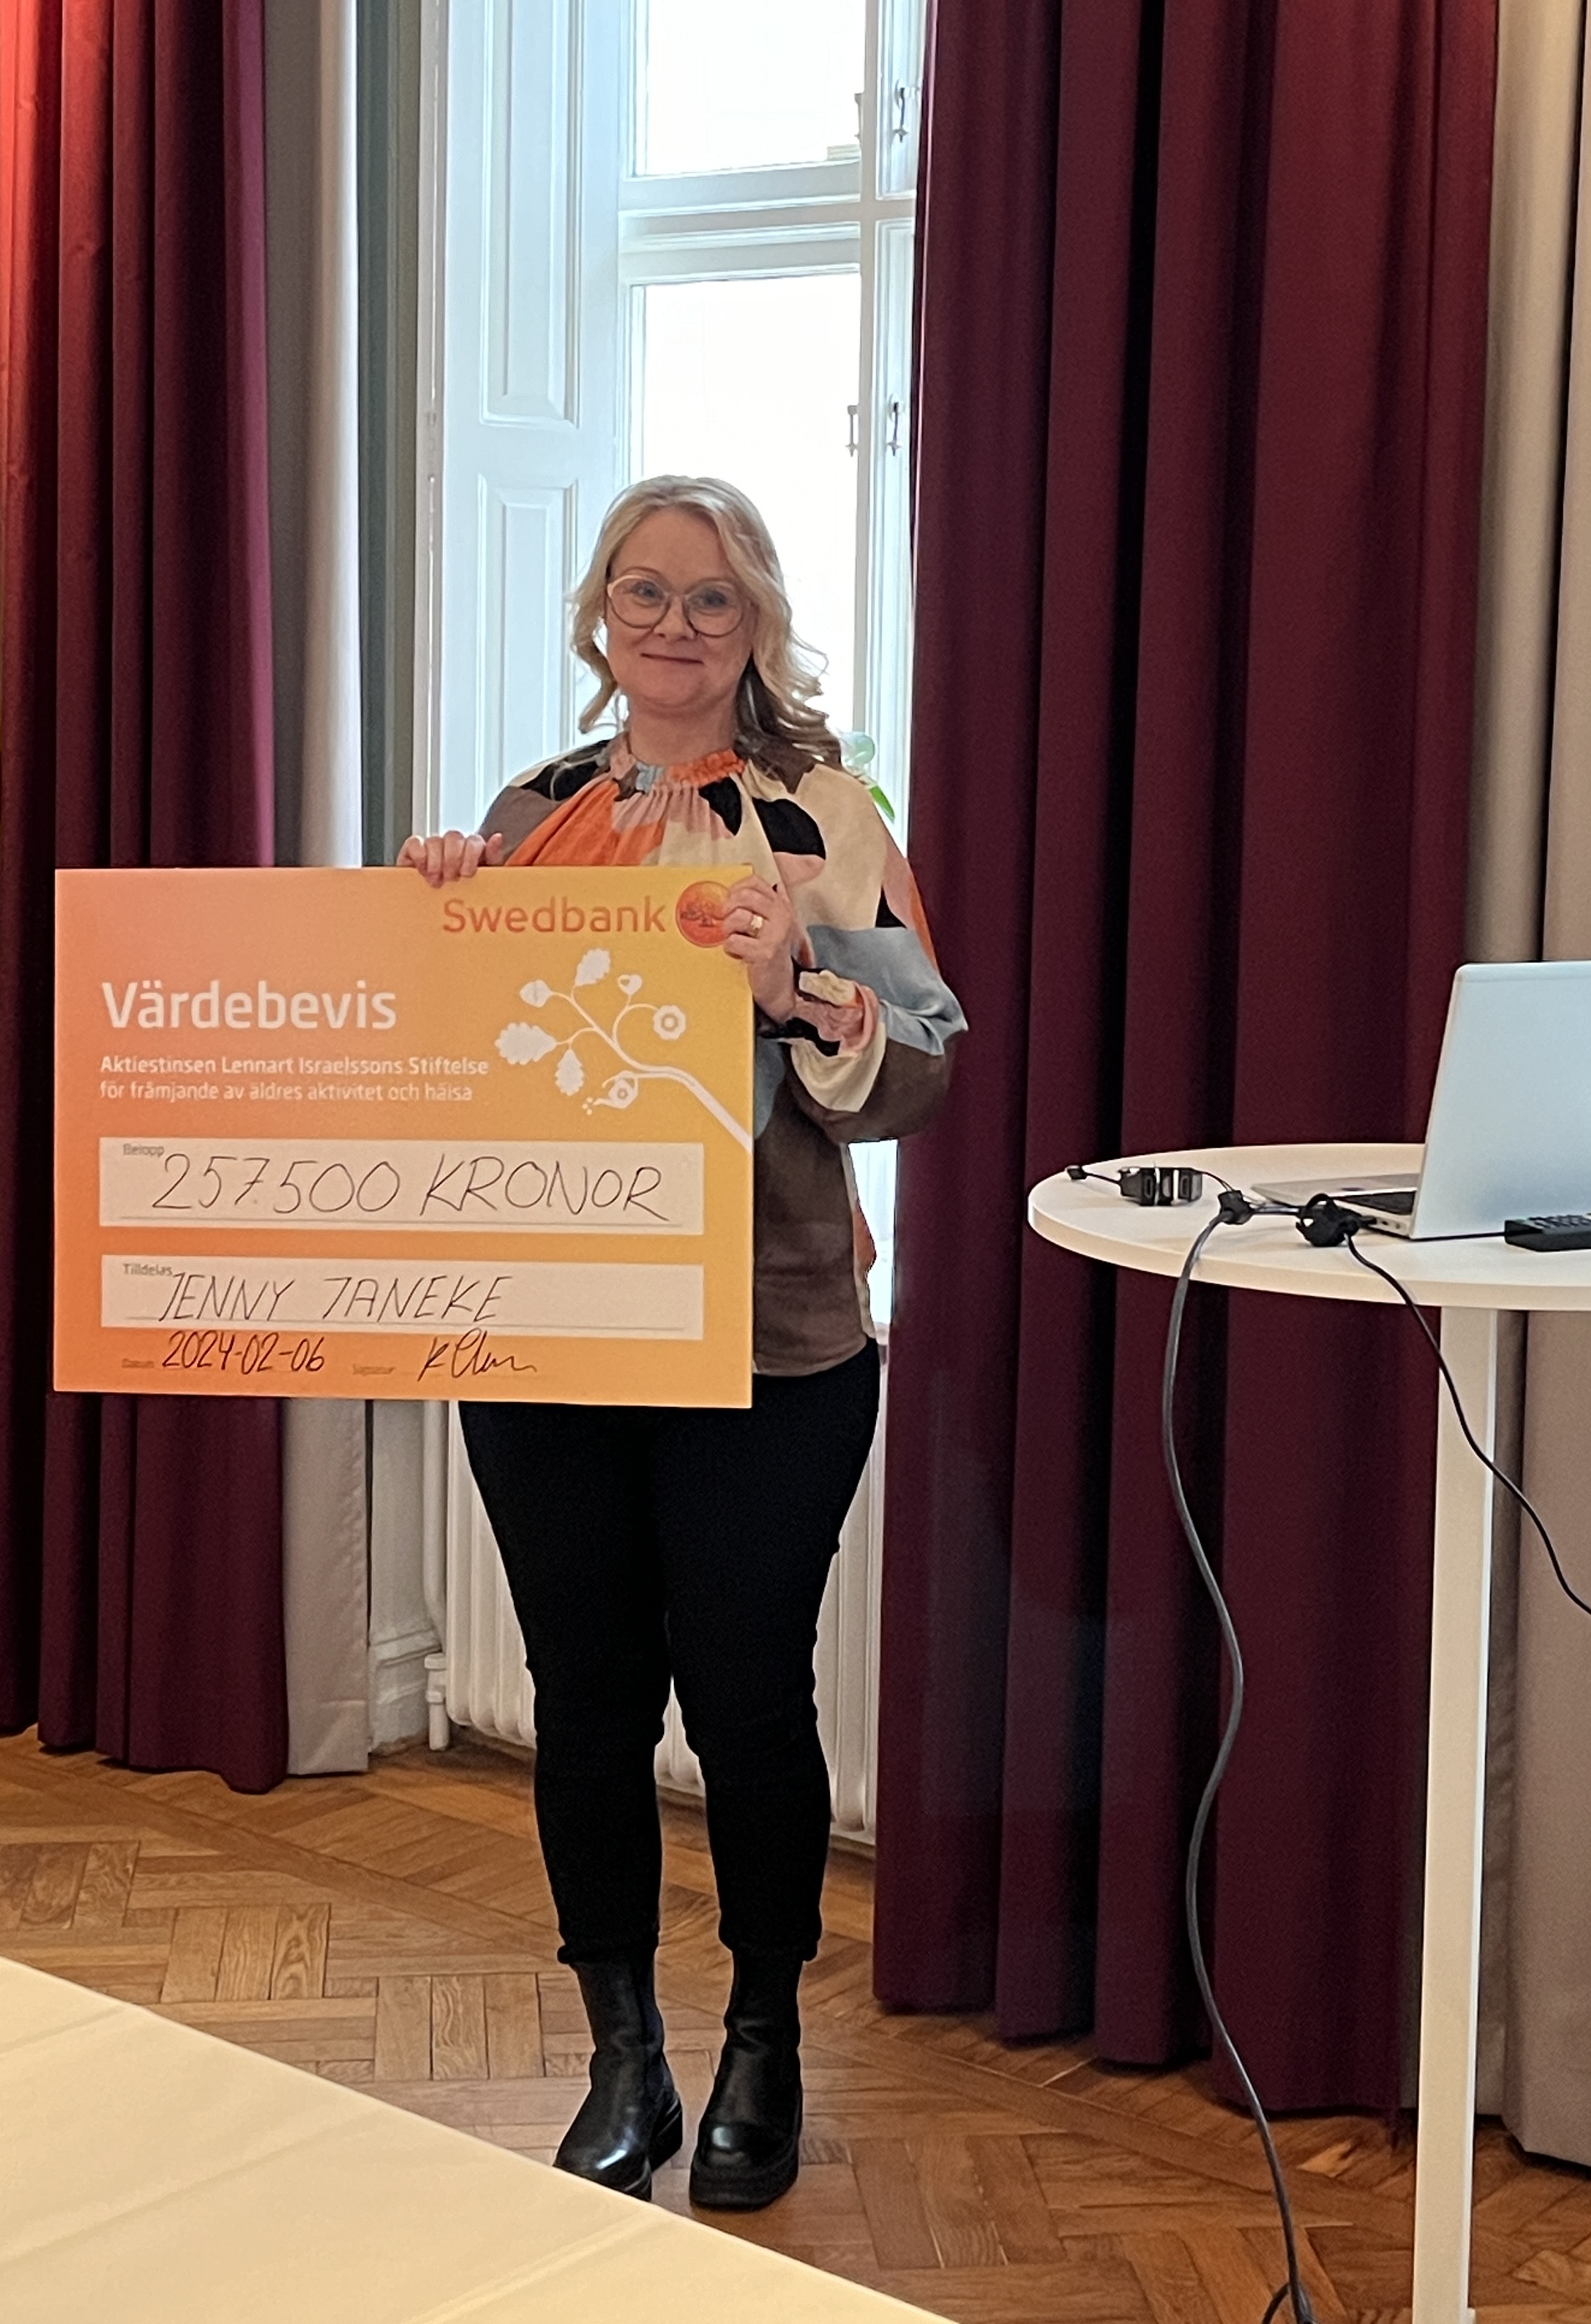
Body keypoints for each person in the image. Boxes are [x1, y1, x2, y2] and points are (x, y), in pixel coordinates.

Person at [400, 473, 960, 2210]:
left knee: (745, 1695)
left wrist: (798, 988)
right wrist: (428, 918)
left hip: (773, 1339)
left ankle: (764, 2038)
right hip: (552, 1333)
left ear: (759, 624)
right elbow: (453, 1061)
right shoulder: (530, 813)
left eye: (712, 598)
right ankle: (622, 2051)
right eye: (643, 593)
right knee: (584, 1696)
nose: (674, 625)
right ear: (599, 614)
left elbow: (923, 1072)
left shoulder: (825, 819)